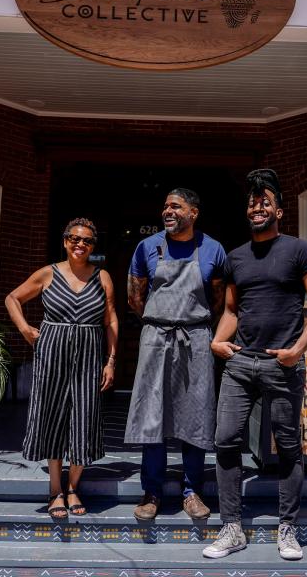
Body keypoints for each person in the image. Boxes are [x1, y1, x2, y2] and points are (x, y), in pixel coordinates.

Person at [204, 169, 307, 561]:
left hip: (283, 365)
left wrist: (296, 350)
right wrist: (217, 340)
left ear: (278, 209)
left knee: (288, 445)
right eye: (253, 201)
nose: (257, 207)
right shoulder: (236, 257)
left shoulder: (299, 250)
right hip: (241, 364)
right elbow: (231, 310)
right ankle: (232, 528)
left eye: (265, 201)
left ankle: (287, 528)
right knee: (225, 440)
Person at [5, 218, 118, 519]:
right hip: (52, 352)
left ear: (94, 246)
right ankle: (55, 490)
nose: (81, 244)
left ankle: (73, 487)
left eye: (88, 241)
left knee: (84, 418)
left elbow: (111, 321)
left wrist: (111, 360)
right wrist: (26, 330)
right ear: (65, 241)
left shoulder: (102, 277)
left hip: (89, 355)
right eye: (75, 239)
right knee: (53, 418)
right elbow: (12, 298)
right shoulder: (48, 273)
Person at [124, 188, 226, 520]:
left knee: (195, 414)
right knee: (152, 414)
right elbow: (134, 298)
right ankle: (151, 491)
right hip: (156, 336)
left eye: (176, 206)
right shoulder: (146, 247)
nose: (168, 211)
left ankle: (192, 490)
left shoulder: (213, 250)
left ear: (193, 212)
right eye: (165, 207)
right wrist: (160, 322)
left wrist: (191, 323)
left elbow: (219, 300)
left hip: (195, 337)